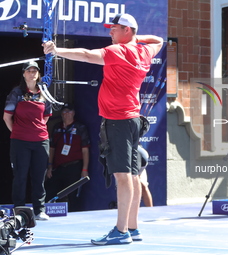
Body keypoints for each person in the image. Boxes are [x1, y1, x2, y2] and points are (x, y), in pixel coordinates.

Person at [43, 13, 163, 244]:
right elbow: (158, 40)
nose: (110, 32)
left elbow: (87, 55)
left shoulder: (117, 51)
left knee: (123, 175)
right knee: (133, 174)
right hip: (132, 119)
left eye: (115, 28)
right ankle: (133, 227)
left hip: (118, 121)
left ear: (126, 30)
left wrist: (56, 50)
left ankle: (121, 231)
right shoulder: (144, 51)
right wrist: (135, 39)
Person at [3, 61, 52, 220]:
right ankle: (19, 210)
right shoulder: (16, 93)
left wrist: (35, 130)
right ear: (23, 74)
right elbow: (7, 117)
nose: (32, 73)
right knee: (20, 175)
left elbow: (45, 117)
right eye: (29, 71)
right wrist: (19, 132)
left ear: (38, 74)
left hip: (41, 141)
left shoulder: (44, 92)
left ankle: (39, 210)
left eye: (35, 71)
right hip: (20, 141)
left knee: (39, 176)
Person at [45, 103, 90, 212]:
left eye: (69, 111)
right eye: (64, 111)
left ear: (73, 113)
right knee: (50, 192)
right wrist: (49, 166)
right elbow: (52, 148)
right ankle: (46, 213)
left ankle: (74, 217)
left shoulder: (80, 128)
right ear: (61, 114)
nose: (67, 114)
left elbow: (85, 150)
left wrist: (84, 169)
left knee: (72, 195)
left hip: (74, 167)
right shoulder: (57, 127)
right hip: (58, 167)